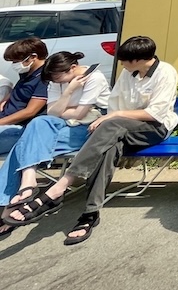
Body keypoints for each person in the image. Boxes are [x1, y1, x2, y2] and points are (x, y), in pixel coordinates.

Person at [2, 35, 178, 245]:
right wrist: (112, 116)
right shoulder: (129, 73)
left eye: (123, 60)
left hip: (154, 128)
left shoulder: (165, 72)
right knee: (109, 147)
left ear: (137, 60)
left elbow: (154, 114)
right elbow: (111, 104)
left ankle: (60, 186)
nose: (120, 64)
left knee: (110, 126)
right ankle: (89, 215)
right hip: (119, 128)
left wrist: (112, 116)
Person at [0, 50, 111, 239]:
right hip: (61, 126)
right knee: (38, 123)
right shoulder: (55, 81)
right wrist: (68, 93)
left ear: (73, 68)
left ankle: (5, 207)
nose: (56, 81)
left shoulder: (94, 78)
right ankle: (28, 182)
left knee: (24, 144)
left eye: (58, 77)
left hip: (88, 129)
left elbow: (80, 115)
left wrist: (64, 106)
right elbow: (51, 113)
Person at [0, 38, 49, 155]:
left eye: (16, 61)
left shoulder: (45, 78)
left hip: (18, 127)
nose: (14, 65)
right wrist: (6, 99)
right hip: (5, 118)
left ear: (33, 57)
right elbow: (21, 91)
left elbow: (30, 111)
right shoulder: (27, 71)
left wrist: (1, 122)